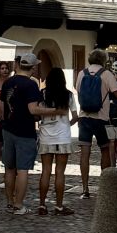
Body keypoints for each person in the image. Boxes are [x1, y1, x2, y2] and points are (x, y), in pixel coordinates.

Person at [0, 53, 66, 216]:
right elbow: (33, 110)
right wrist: (55, 111)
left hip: (7, 129)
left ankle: (9, 203)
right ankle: (18, 205)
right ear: (33, 67)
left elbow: (2, 110)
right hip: (24, 131)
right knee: (22, 169)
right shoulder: (30, 85)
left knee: (9, 168)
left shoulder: (8, 82)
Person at [75, 48, 117, 198]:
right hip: (101, 117)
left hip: (84, 117)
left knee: (85, 153)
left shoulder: (82, 73)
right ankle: (104, 187)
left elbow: (79, 92)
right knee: (105, 150)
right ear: (103, 60)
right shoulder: (106, 74)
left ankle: (85, 189)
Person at [37, 67, 78, 216]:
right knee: (60, 172)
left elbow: (37, 113)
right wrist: (67, 124)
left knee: (45, 171)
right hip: (62, 136)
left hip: (46, 137)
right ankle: (59, 206)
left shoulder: (42, 94)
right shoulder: (68, 95)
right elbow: (75, 116)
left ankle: (42, 205)